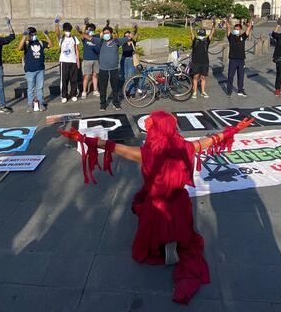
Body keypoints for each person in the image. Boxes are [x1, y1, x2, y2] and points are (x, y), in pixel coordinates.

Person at [58, 111, 252, 304]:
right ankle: (175, 242)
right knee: (181, 230)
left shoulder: (145, 154)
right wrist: (234, 129)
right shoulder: (187, 147)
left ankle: (161, 248)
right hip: (179, 203)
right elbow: (212, 140)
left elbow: (111, 146)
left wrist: (81, 138)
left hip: (157, 204)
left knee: (150, 222)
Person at [81, 23, 133, 110]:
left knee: (115, 88)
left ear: (111, 33)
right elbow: (88, 37)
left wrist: (134, 29)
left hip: (114, 69)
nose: (106, 34)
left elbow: (130, 37)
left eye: (107, 33)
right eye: (104, 33)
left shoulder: (117, 41)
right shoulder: (100, 41)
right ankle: (103, 104)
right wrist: (83, 30)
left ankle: (116, 103)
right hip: (103, 69)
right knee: (103, 88)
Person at [18, 26, 52, 112]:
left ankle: (41, 103)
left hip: (40, 69)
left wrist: (47, 35)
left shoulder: (40, 42)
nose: (34, 35)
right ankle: (30, 104)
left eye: (35, 33)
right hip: (30, 70)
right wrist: (24, 36)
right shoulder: (26, 43)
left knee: (40, 88)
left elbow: (50, 45)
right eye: (32, 34)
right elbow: (19, 48)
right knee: (30, 88)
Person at [225, 17, 253, 98]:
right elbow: (228, 29)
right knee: (230, 75)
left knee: (241, 76)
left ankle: (240, 90)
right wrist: (227, 23)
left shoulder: (243, 37)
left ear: (240, 30)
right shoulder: (231, 37)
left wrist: (250, 23)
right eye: (235, 29)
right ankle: (229, 91)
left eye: (238, 29)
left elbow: (248, 30)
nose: (236, 30)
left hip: (241, 60)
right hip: (233, 59)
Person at [55, 18, 80, 103]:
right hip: (63, 61)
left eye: (68, 30)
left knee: (74, 79)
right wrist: (56, 23)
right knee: (64, 79)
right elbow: (57, 33)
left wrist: (78, 61)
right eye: (66, 30)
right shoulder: (61, 38)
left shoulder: (74, 38)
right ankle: (64, 96)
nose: (67, 31)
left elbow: (77, 50)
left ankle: (74, 94)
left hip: (73, 61)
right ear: (64, 31)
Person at [189, 22, 213, 99]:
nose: (201, 36)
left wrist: (214, 26)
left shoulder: (207, 41)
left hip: (205, 62)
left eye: (202, 35)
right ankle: (195, 91)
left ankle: (203, 92)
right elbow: (191, 34)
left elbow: (212, 33)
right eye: (200, 35)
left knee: (203, 77)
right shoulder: (195, 40)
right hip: (195, 61)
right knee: (195, 77)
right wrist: (191, 27)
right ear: (197, 34)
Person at [79, 20, 100, 98]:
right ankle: (84, 91)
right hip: (87, 59)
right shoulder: (85, 37)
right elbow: (82, 34)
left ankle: (95, 90)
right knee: (86, 76)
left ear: (94, 30)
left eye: (92, 29)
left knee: (95, 75)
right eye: (89, 29)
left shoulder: (96, 37)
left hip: (95, 59)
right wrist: (85, 26)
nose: (90, 31)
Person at [120, 30, 138, 95]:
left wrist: (135, 29)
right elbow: (125, 50)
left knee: (130, 76)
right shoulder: (123, 42)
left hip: (131, 60)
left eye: (128, 35)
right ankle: (127, 90)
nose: (127, 37)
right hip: (124, 60)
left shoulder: (133, 42)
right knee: (125, 76)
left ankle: (132, 92)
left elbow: (135, 34)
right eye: (126, 36)